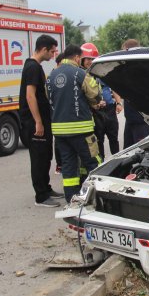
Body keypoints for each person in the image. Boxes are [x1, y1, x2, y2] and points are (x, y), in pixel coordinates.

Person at [47, 44, 102, 202]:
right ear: (77, 57)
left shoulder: (51, 75)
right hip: (81, 129)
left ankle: (71, 199)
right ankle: (98, 197)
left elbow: (49, 98)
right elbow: (95, 94)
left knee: (69, 166)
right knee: (94, 162)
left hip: (60, 132)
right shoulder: (80, 73)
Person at [19, 34, 64, 207]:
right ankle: (41, 196)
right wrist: (37, 121)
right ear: (44, 49)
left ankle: (46, 188)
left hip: (43, 120)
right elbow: (30, 95)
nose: (53, 55)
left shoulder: (35, 66)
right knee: (39, 157)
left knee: (45, 155)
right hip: (35, 122)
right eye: (52, 52)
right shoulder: (32, 67)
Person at [79, 42, 122, 159]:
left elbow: (113, 87)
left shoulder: (101, 71)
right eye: (87, 59)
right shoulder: (81, 75)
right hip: (96, 112)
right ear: (82, 59)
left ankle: (117, 160)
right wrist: (95, 104)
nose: (90, 62)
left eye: (92, 59)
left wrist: (118, 103)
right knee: (99, 140)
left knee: (114, 138)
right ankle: (101, 163)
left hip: (110, 110)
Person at [119, 39, 149, 149]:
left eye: (124, 52)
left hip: (141, 121)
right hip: (131, 119)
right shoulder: (128, 67)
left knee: (142, 151)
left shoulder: (142, 67)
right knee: (127, 152)